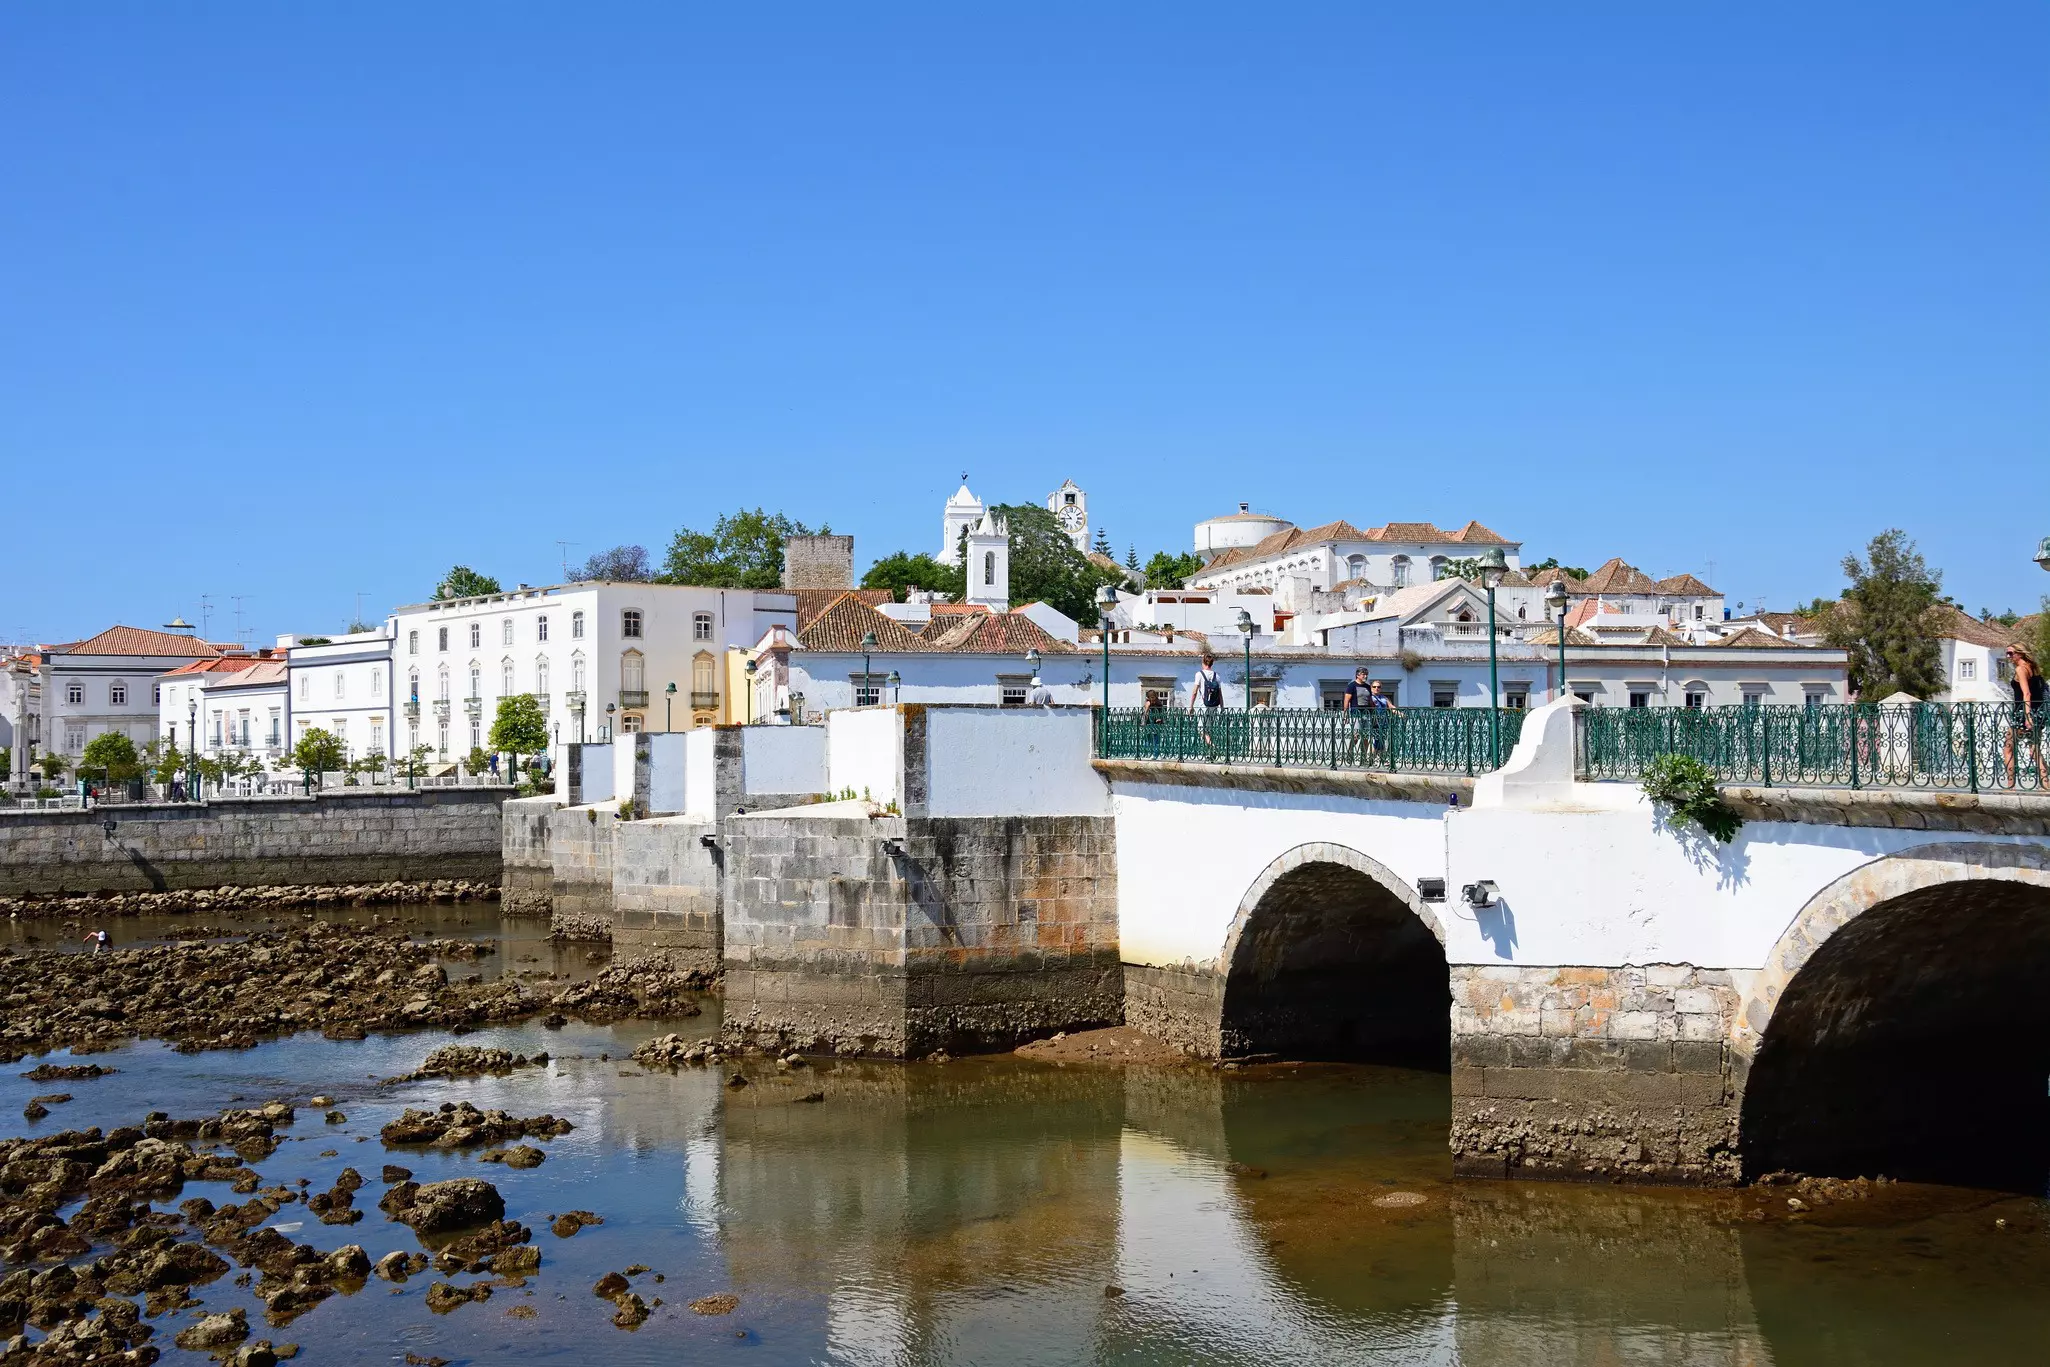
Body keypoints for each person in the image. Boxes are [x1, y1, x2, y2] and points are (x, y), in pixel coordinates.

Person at [2004, 643, 2048, 790]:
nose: (2008, 657)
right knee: (2033, 749)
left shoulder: (2021, 669)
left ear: (2020, 653)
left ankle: (2010, 786)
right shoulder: (2033, 667)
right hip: (2038, 712)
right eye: (2007, 653)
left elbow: (2027, 693)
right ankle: (2046, 783)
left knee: (2008, 748)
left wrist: (2027, 716)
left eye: (2011, 653)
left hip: (2023, 714)